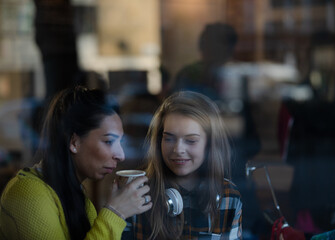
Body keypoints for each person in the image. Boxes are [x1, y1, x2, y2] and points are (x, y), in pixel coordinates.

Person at [0, 86, 153, 239]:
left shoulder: (80, 198)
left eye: (120, 142)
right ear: (74, 142)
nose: (121, 155)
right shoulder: (28, 194)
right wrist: (115, 212)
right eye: (109, 141)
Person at [124, 91, 242, 239]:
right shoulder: (136, 193)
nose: (178, 150)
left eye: (191, 140)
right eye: (169, 139)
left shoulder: (229, 197)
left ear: (210, 144)